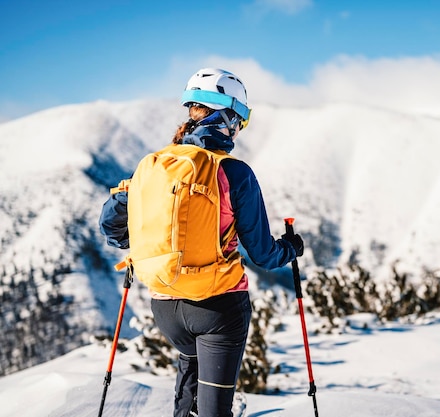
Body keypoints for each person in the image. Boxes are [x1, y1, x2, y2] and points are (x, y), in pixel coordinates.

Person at [99, 68, 304, 417]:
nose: (239, 129)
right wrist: (292, 248)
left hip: (165, 307)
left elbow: (112, 229)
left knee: (189, 382)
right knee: (214, 410)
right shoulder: (234, 172)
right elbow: (263, 254)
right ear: (228, 116)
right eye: (240, 119)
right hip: (218, 309)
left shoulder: (154, 165)